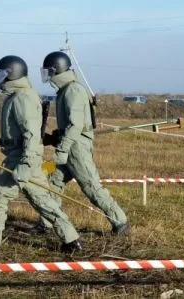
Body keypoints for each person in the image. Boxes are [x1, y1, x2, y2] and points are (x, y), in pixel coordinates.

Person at [0, 55, 82, 257]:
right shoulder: (19, 95)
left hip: (22, 158)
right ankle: (71, 239)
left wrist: (25, 163)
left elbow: (31, 135)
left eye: (2, 74)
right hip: (23, 156)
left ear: (11, 75)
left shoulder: (23, 98)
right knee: (43, 201)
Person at [36, 51, 129, 235]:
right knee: (53, 183)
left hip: (76, 149)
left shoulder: (73, 90)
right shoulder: (65, 91)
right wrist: (54, 138)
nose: (47, 75)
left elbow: (76, 125)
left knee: (91, 186)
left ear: (58, 70)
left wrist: (62, 148)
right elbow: (69, 127)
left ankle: (121, 223)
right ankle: (46, 224)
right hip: (68, 147)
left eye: (49, 71)